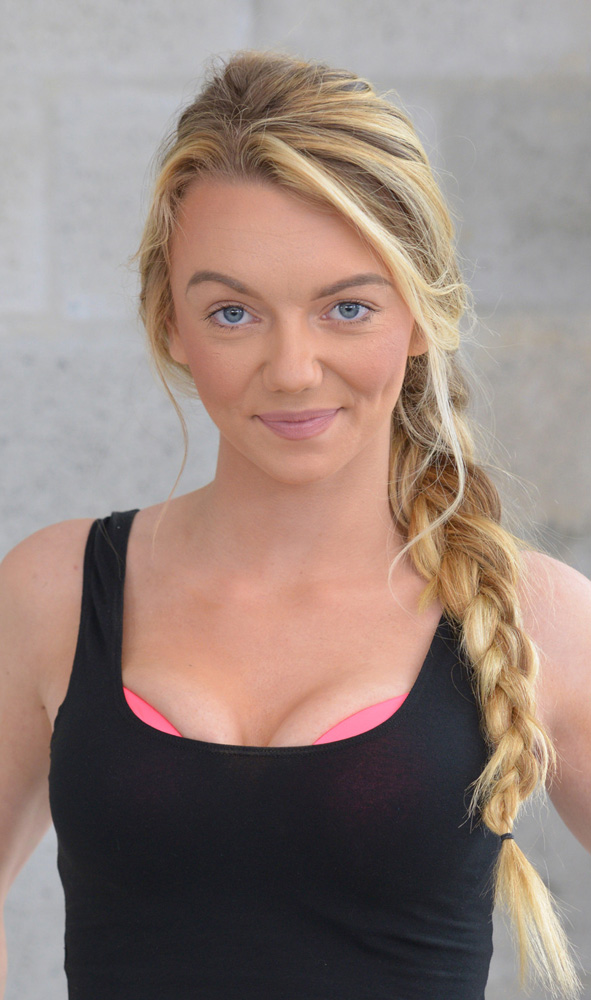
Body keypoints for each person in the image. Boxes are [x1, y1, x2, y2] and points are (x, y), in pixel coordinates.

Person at [0, 48, 589, 1000]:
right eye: (233, 313)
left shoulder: (540, 618)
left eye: (346, 308)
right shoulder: (52, 591)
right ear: (169, 322)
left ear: (420, 316)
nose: (292, 369)